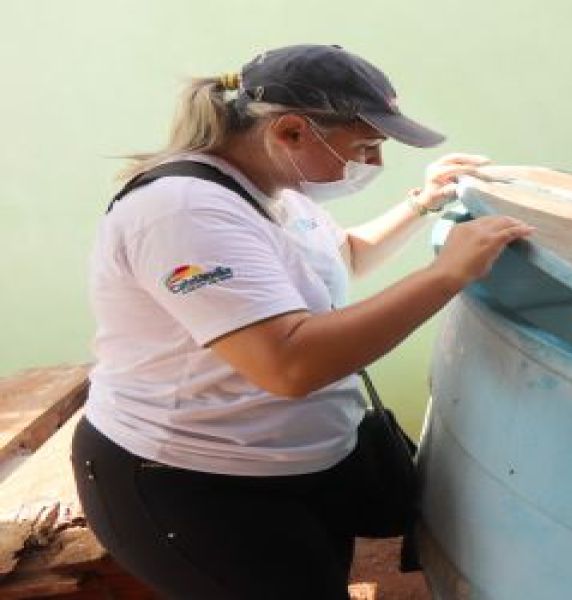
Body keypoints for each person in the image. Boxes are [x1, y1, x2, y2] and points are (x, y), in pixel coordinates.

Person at [70, 44, 534, 599]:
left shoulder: (274, 190)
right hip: (193, 480)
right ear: (291, 132)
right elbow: (290, 364)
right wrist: (449, 275)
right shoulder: (183, 212)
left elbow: (347, 256)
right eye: (365, 146)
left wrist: (421, 204)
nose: (374, 164)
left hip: (283, 468)